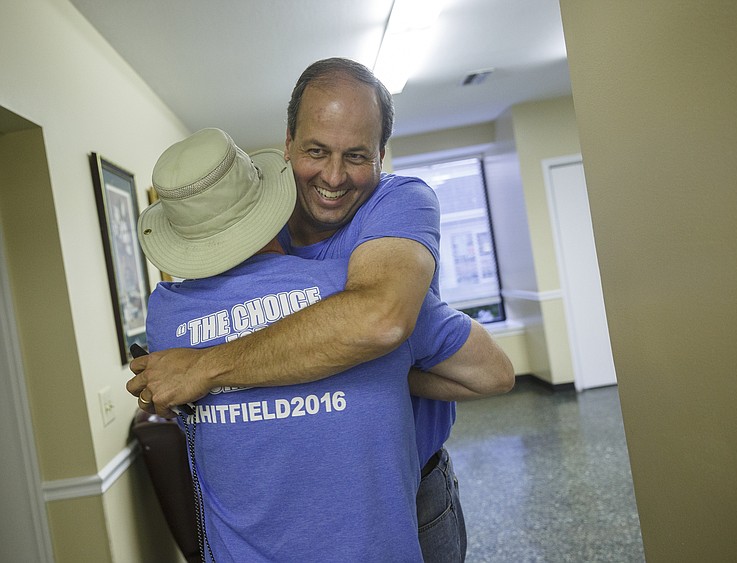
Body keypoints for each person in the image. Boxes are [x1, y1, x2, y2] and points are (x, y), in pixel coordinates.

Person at [128, 57, 511, 561]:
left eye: (356, 155)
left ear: (380, 155)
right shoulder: (298, 270)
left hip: (409, 494)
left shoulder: (400, 203)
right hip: (284, 518)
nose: (333, 176)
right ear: (287, 143)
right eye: (316, 151)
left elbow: (380, 319)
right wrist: (348, 361)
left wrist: (206, 367)